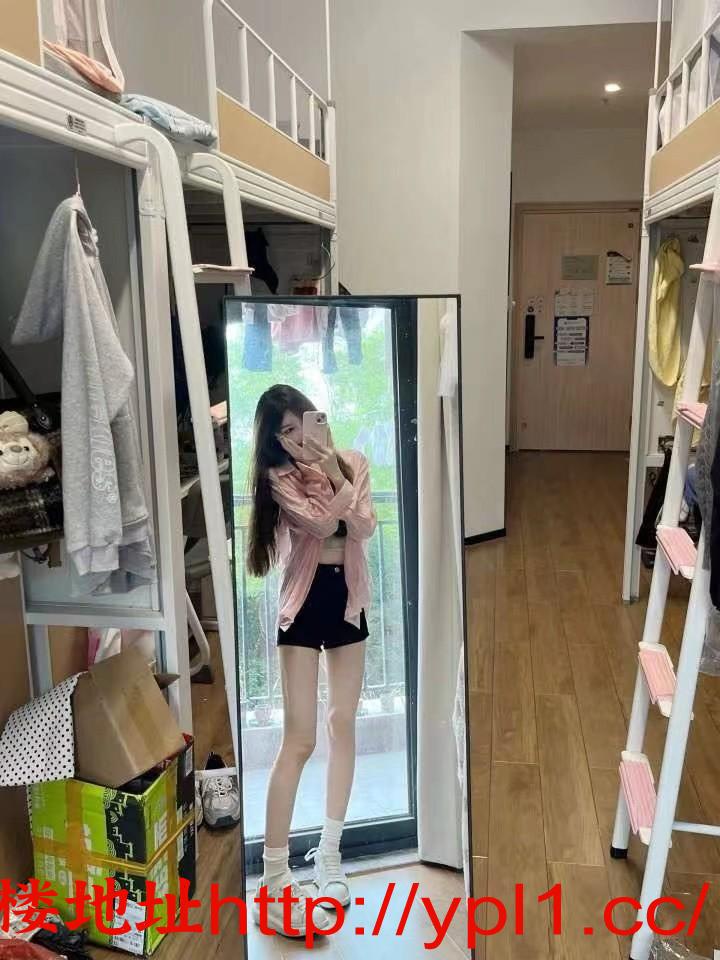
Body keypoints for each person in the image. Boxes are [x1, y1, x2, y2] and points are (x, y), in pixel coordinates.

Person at [246, 384, 377, 936]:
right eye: (287, 432)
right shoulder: (280, 478)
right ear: (276, 440)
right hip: (301, 606)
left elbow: (364, 527)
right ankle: (274, 881)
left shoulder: (354, 461)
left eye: (303, 423)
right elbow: (324, 525)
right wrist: (332, 483)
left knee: (343, 723)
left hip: (347, 599)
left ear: (317, 418)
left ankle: (329, 856)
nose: (299, 438)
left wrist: (335, 473)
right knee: (298, 739)